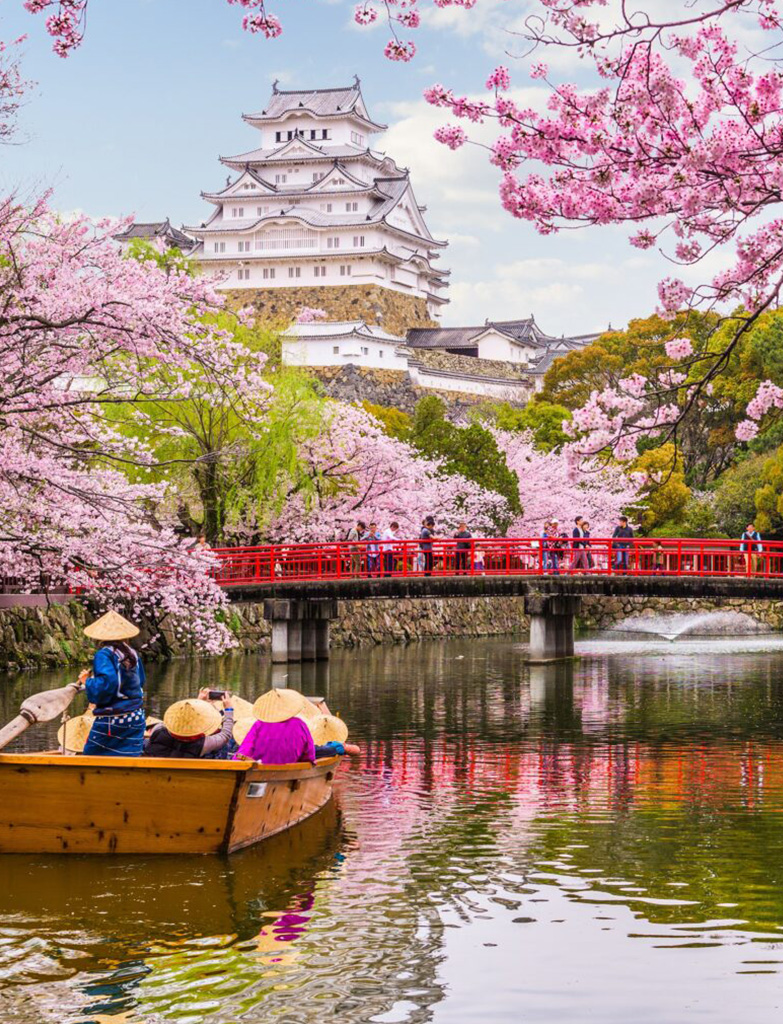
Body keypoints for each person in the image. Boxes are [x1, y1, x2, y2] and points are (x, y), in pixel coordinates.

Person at [81, 610, 146, 757]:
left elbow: (106, 684)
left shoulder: (104, 654)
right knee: (129, 756)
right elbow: (140, 681)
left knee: (91, 755)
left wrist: (87, 681)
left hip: (113, 719)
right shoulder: (132, 653)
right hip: (136, 715)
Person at [235, 688, 320, 764]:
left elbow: (243, 752)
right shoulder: (300, 725)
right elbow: (309, 756)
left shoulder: (259, 724)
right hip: (291, 773)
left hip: (261, 773)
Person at [145, 690, 235, 759]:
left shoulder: (158, 729)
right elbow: (225, 735)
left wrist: (198, 702)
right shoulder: (202, 745)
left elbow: (169, 724)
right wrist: (229, 710)